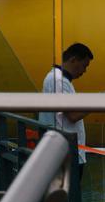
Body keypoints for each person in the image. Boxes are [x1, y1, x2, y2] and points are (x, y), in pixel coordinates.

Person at [39, 43, 93, 171]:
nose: (84, 71)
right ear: (73, 60)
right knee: (70, 189)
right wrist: (99, 104)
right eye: (84, 66)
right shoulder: (59, 81)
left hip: (62, 150)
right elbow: (73, 116)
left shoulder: (58, 78)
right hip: (66, 152)